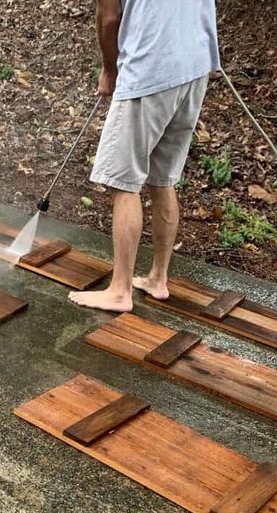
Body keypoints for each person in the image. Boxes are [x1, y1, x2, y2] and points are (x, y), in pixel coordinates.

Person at [69, 0, 220, 312]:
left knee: (124, 182)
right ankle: (158, 278)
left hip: (150, 67)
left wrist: (110, 70)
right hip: (195, 65)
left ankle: (119, 291)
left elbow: (109, 18)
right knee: (161, 177)